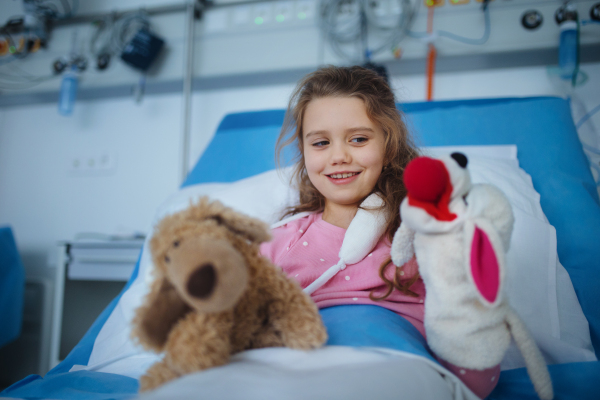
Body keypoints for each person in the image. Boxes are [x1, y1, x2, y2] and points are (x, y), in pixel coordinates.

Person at [260, 65, 500, 399]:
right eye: (321, 142)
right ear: (304, 152)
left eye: (358, 139)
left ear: (388, 147)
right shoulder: (275, 246)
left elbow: (475, 376)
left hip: (399, 372)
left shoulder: (423, 242)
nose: (339, 156)